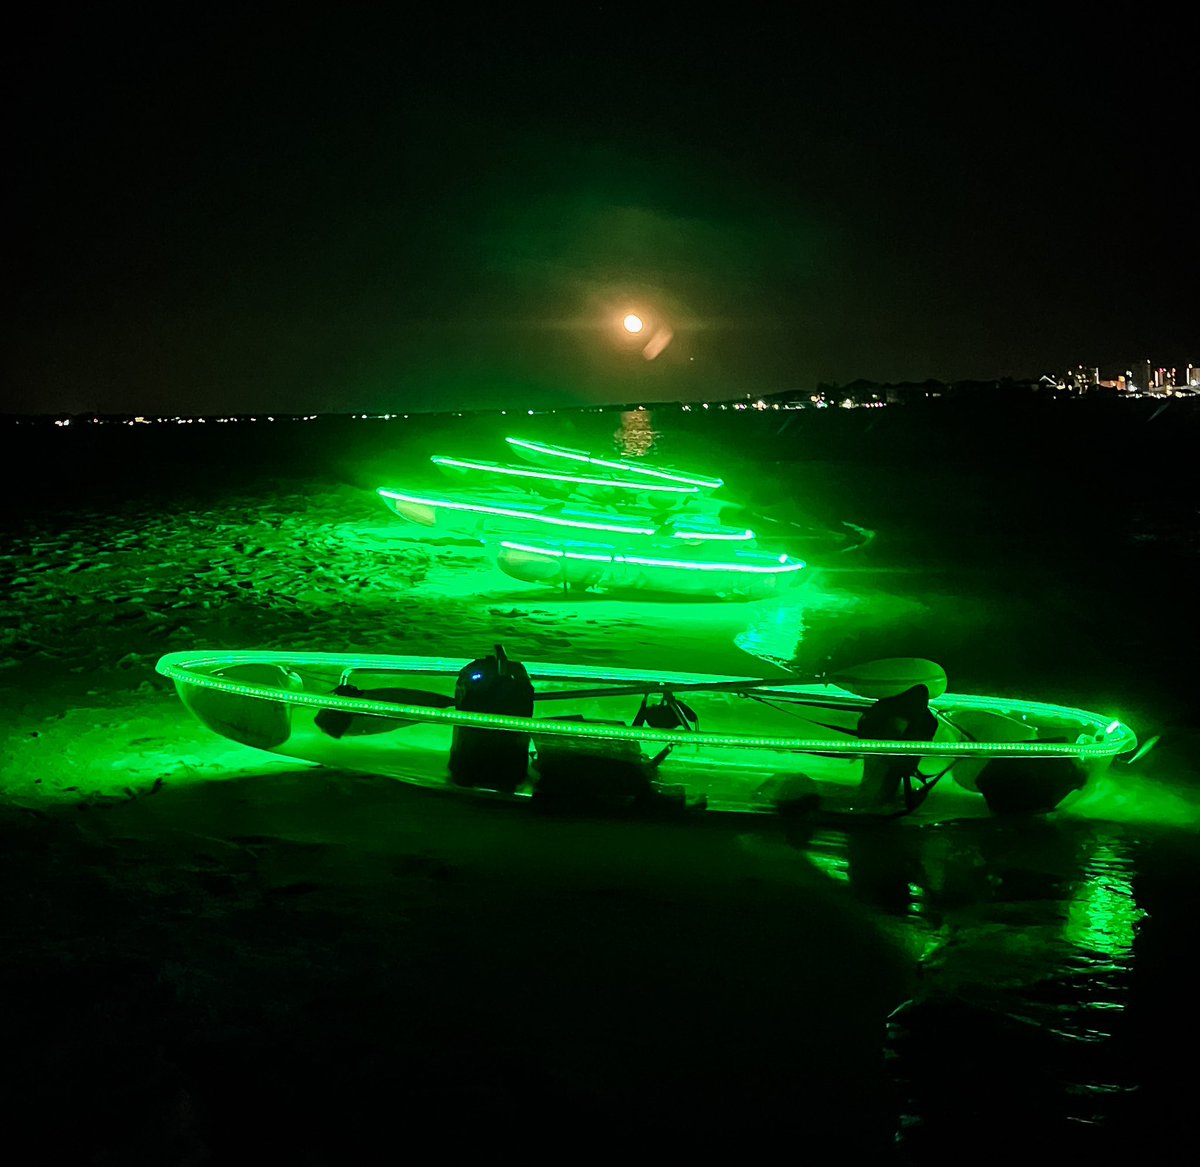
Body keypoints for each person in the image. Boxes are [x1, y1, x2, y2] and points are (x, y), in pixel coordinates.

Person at [855, 684, 938, 809]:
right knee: (885, 776)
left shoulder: (919, 716)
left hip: (889, 743)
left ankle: (874, 802)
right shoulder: (923, 717)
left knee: (882, 777)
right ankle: (876, 802)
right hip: (890, 743)